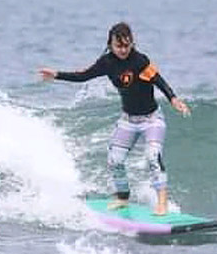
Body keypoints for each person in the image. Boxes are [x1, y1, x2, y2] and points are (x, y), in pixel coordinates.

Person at [39, 22, 190, 215]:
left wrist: (173, 98)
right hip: (128, 120)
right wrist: (57, 75)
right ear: (110, 45)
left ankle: (162, 202)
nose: (123, 50)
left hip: (151, 119)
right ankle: (123, 198)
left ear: (132, 43)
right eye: (119, 46)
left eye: (127, 45)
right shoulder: (107, 63)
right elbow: (83, 76)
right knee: (115, 160)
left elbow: (158, 81)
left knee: (152, 156)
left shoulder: (140, 61)